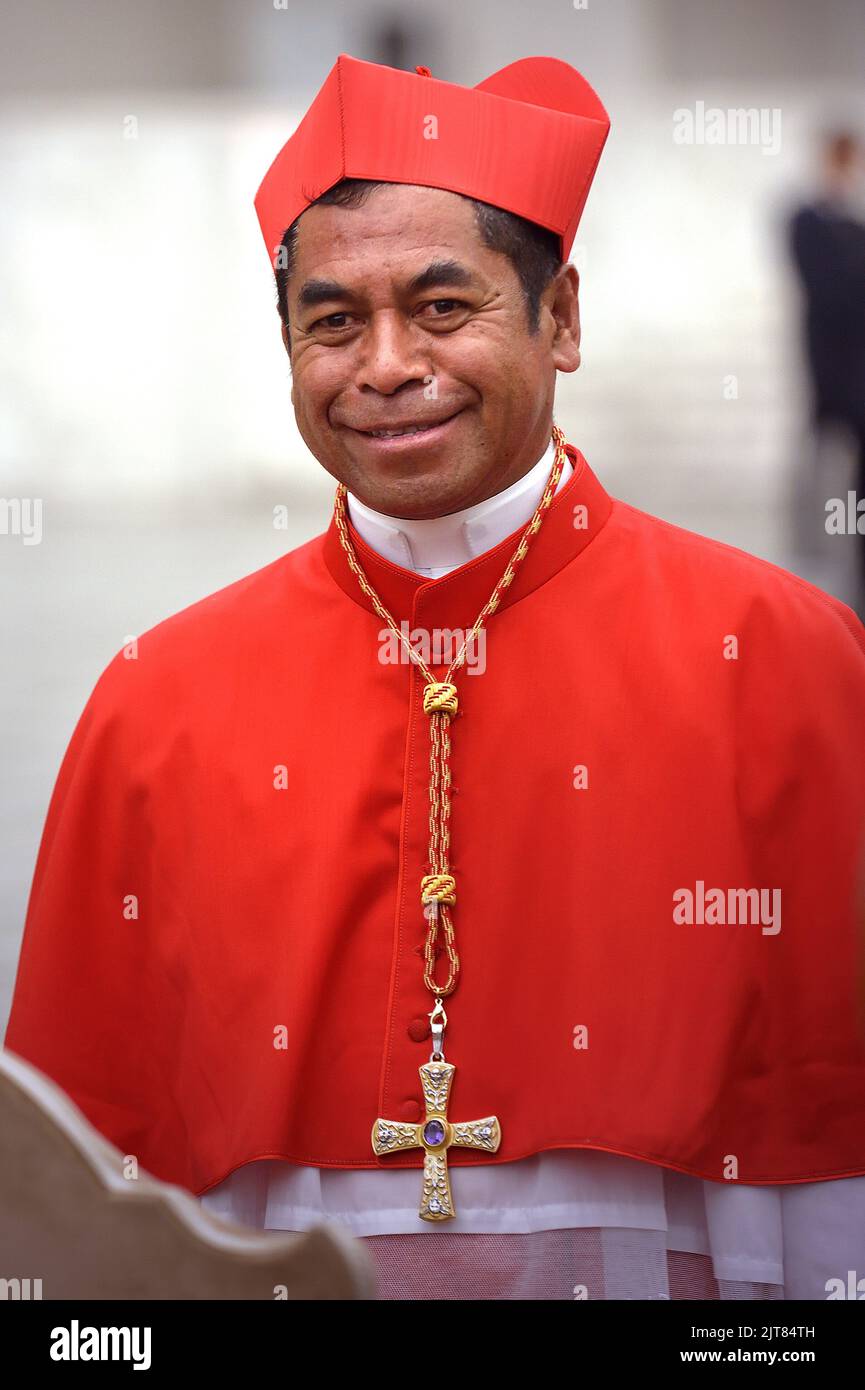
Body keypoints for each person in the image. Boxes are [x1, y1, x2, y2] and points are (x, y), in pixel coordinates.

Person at [5, 54, 865, 1301]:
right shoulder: (157, 698)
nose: (386, 364)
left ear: (560, 317)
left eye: (443, 307)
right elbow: (75, 1194)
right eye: (333, 320)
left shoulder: (787, 656)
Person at [788, 128, 865, 615]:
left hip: (858, 378)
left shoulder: (855, 229)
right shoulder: (806, 220)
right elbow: (828, 290)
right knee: (825, 473)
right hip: (828, 374)